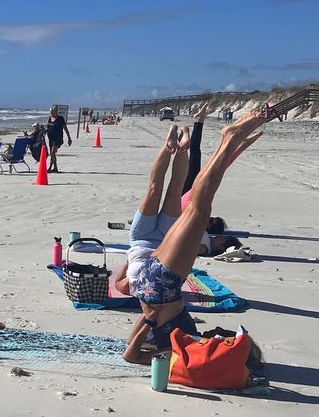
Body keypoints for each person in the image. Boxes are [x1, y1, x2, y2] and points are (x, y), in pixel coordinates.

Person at [123, 111, 267, 364]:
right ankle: (228, 144)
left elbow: (130, 356)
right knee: (195, 207)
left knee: (199, 209)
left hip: (162, 284)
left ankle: (229, 141)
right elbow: (133, 346)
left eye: (226, 341)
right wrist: (148, 320)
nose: (219, 337)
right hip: (155, 281)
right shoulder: (186, 343)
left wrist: (149, 320)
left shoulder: (180, 355)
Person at [111, 125, 192, 299]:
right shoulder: (130, 288)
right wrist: (131, 259)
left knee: (174, 190)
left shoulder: (169, 290)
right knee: (155, 188)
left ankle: (181, 145)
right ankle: (172, 144)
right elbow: (119, 278)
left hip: (165, 241)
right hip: (144, 240)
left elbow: (181, 269)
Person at [46, 106, 72, 173]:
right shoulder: (50, 118)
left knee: (52, 153)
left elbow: (65, 128)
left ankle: (50, 167)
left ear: (56, 111)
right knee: (53, 154)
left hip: (57, 138)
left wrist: (69, 138)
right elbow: (48, 128)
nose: (51, 113)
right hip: (50, 139)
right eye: (50, 112)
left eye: (52, 111)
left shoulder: (60, 119)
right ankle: (55, 168)